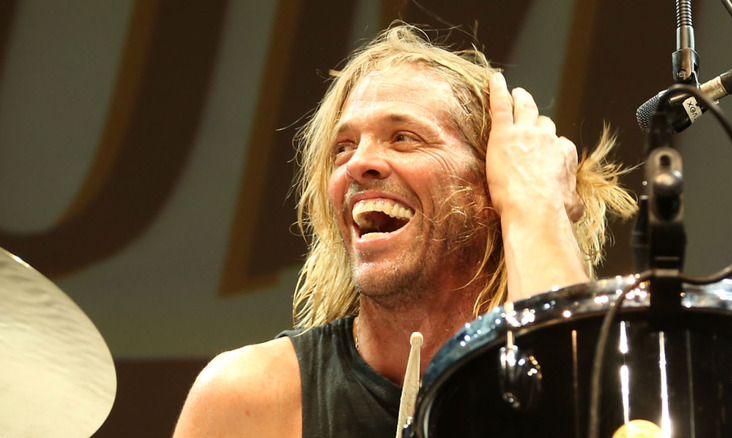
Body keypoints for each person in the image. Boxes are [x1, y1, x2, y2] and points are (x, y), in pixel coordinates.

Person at [173, 23, 636, 437]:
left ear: (490, 185)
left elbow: (581, 417)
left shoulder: (625, 379)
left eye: (403, 137)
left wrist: (537, 205)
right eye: (343, 147)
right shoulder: (252, 398)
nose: (359, 164)